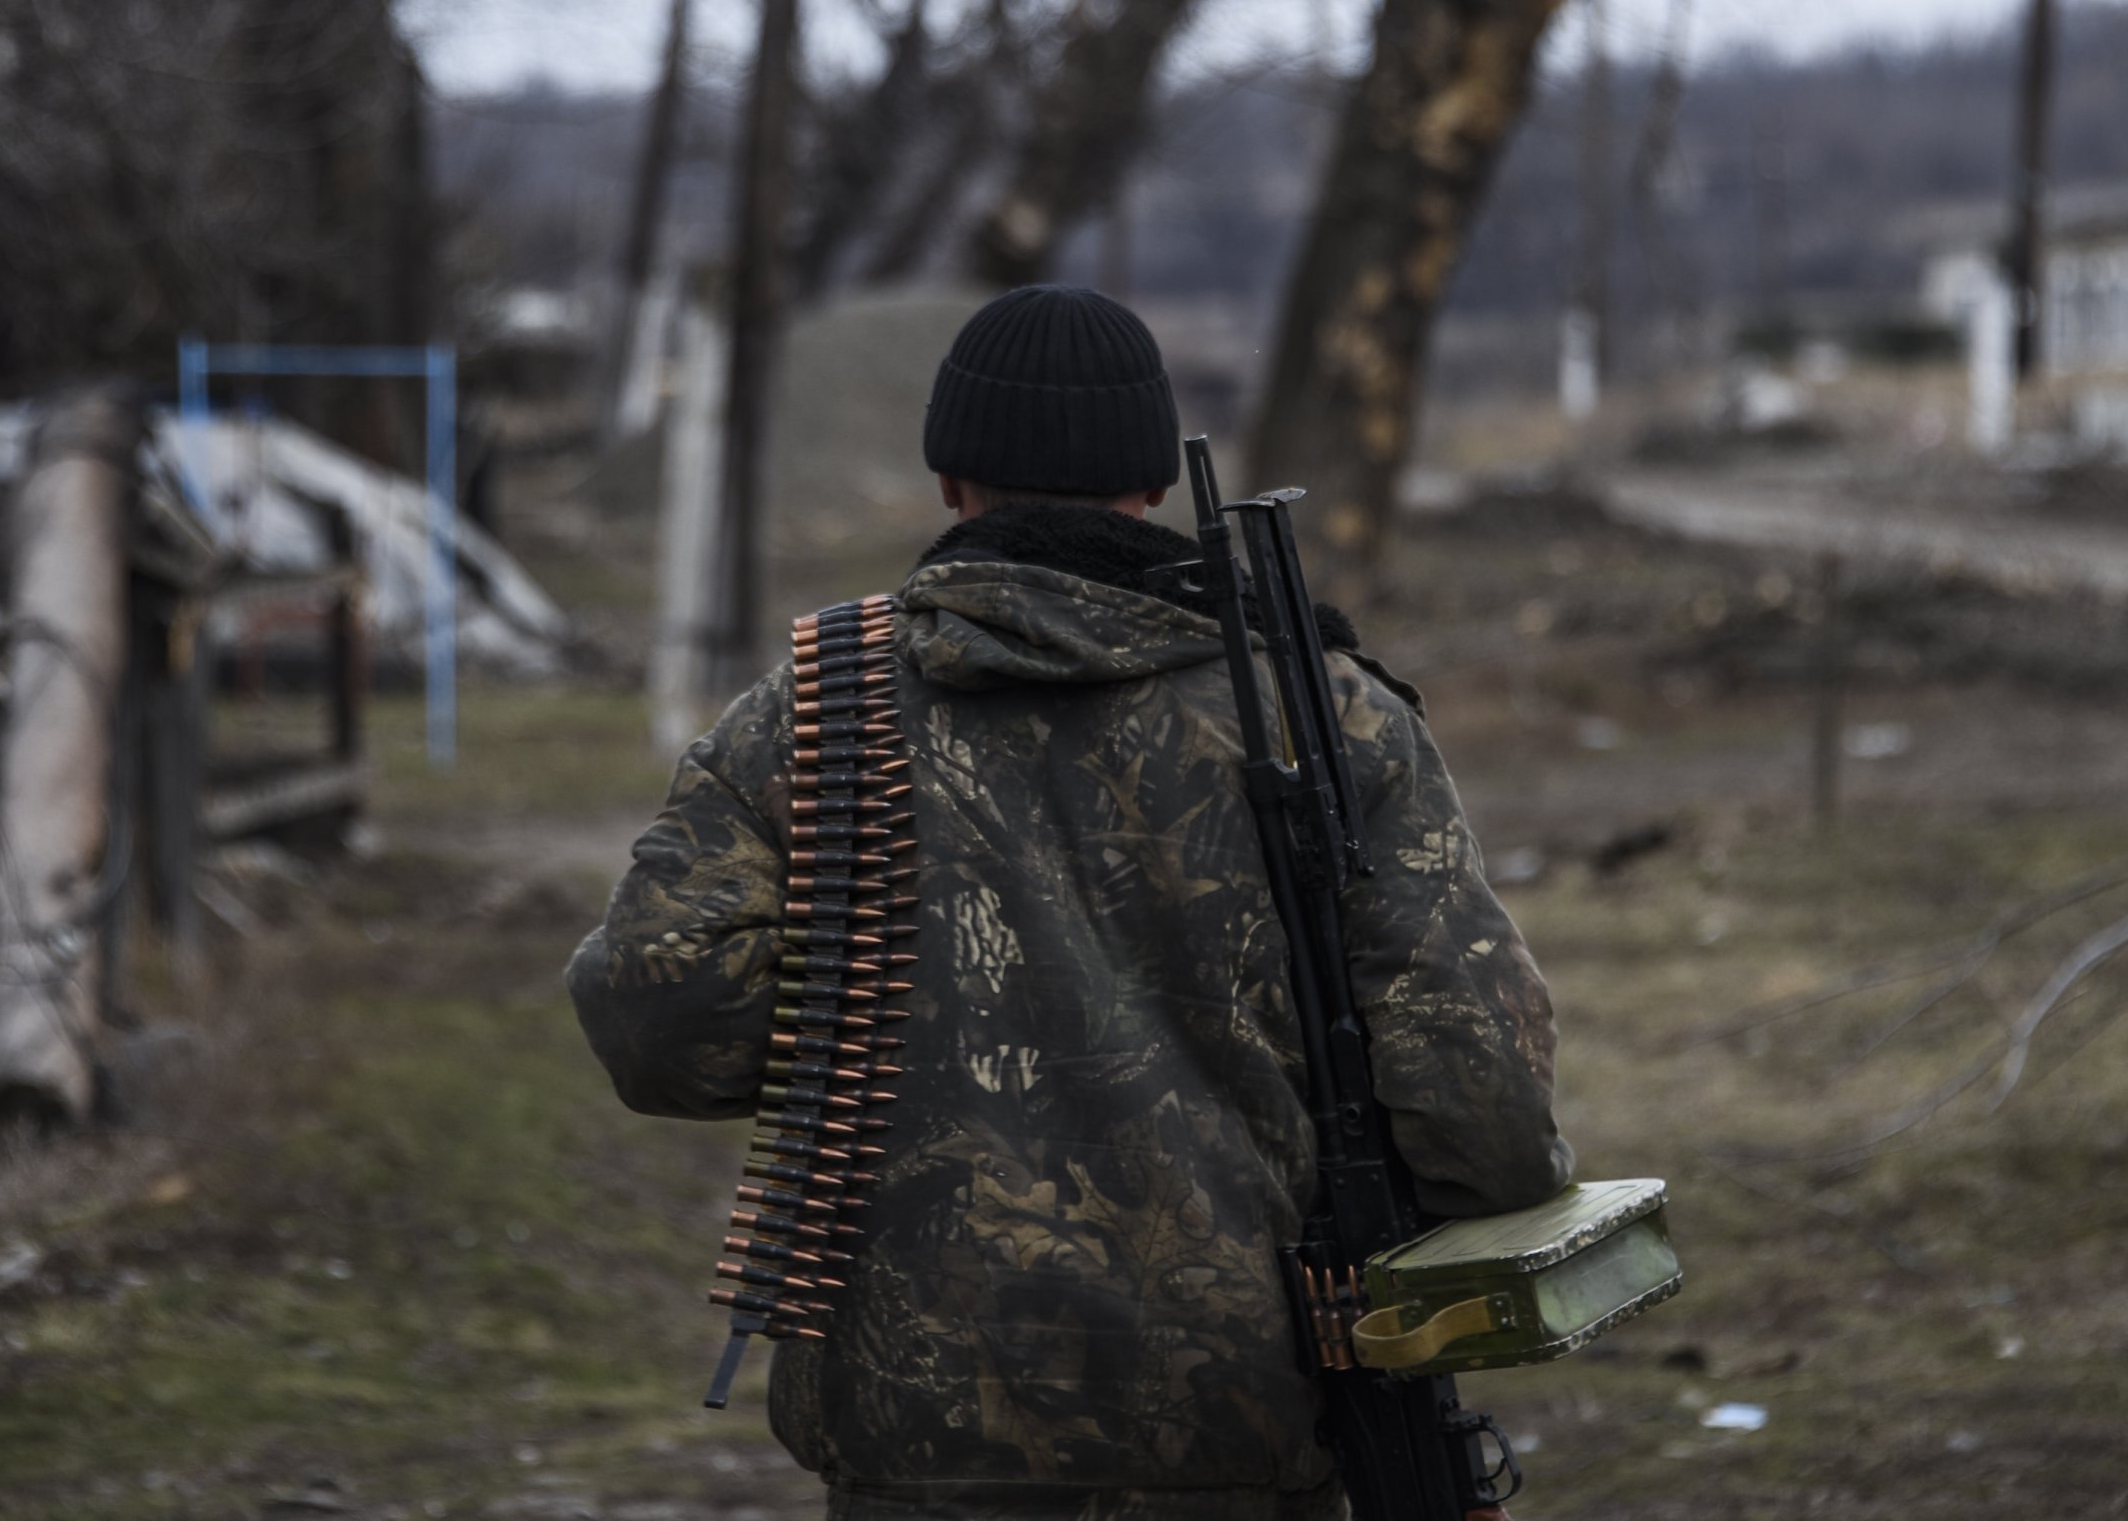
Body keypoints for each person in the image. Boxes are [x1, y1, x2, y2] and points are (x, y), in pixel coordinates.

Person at [566, 285, 1571, 1520]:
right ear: (1150, 486)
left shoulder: (813, 709)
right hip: (1252, 1414)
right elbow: (1484, 1101)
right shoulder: (1330, 713)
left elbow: (662, 1017)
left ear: (950, 481)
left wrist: (894, 996)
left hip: (917, 1427)